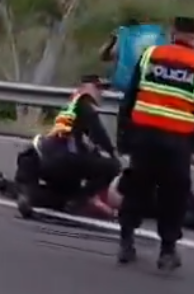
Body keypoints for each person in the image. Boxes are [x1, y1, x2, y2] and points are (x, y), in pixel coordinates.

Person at [116, 16, 194, 271]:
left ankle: (126, 242)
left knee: (137, 188)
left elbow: (130, 98)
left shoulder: (151, 55)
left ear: (173, 32)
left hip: (143, 137)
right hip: (178, 142)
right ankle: (167, 251)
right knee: (173, 196)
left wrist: (123, 137)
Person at [14, 74, 121, 219]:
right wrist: (113, 153)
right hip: (65, 159)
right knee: (113, 166)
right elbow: (98, 135)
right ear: (85, 87)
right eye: (97, 88)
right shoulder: (84, 104)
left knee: (59, 197)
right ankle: (81, 200)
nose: (100, 93)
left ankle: (26, 196)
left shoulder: (72, 104)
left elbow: (79, 136)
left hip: (47, 156)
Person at [100, 17, 165, 92]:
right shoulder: (150, 42)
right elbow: (104, 56)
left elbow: (104, 56)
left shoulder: (127, 43)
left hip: (126, 88)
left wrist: (113, 40)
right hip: (142, 87)